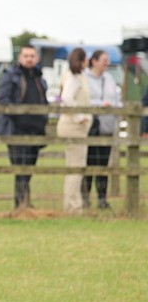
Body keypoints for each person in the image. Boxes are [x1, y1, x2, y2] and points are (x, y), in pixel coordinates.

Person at [0, 45, 48, 209]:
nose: (29, 59)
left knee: (30, 167)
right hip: (16, 129)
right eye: (26, 55)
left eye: (32, 56)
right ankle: (20, 203)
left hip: (36, 129)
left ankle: (25, 201)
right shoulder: (11, 76)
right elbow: (3, 99)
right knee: (20, 167)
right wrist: (18, 115)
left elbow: (44, 101)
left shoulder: (39, 78)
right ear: (20, 57)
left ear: (37, 58)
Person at [82, 49, 121, 210]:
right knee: (88, 163)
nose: (107, 63)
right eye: (104, 60)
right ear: (94, 61)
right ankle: (85, 198)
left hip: (107, 126)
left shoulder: (110, 79)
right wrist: (100, 105)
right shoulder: (84, 78)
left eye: (108, 60)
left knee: (103, 165)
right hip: (90, 127)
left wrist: (117, 108)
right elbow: (84, 100)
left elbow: (117, 100)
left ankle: (102, 199)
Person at [56, 48, 92, 214]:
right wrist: (79, 117)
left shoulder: (74, 76)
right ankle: (73, 206)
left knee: (75, 166)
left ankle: (72, 204)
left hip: (72, 126)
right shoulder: (75, 78)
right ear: (82, 60)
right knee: (76, 167)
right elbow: (67, 99)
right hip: (73, 127)